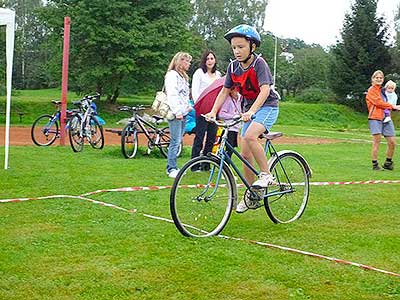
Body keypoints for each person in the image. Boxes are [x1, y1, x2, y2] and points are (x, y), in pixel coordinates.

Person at [205, 24, 280, 213]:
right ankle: (251, 196)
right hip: (248, 110)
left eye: (241, 47)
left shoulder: (259, 64)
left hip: (267, 107)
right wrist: (214, 111)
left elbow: (265, 90)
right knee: (245, 154)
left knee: (249, 137)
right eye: (234, 48)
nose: (237, 51)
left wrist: (252, 111)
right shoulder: (233, 67)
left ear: (252, 47)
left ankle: (266, 174)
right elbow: (225, 91)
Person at [191, 50, 222, 171]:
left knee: (211, 137)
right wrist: (198, 105)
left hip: (214, 110)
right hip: (202, 109)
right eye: (208, 59)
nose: (210, 61)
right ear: (204, 61)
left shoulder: (218, 75)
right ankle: (194, 164)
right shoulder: (199, 73)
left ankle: (206, 164)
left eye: (212, 59)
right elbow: (195, 91)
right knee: (199, 136)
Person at [164, 52, 193, 178]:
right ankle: (170, 168)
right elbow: (172, 94)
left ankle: (174, 166)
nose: (189, 64)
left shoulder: (183, 77)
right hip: (176, 113)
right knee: (175, 141)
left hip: (183, 112)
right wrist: (177, 111)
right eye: (187, 61)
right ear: (180, 61)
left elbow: (184, 96)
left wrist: (187, 108)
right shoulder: (172, 76)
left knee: (178, 140)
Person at [365, 70, 400, 171]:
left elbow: (389, 99)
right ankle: (375, 164)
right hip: (375, 117)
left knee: (392, 142)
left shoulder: (382, 91)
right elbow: (378, 103)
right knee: (377, 141)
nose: (379, 79)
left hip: (386, 118)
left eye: (381, 78)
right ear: (373, 79)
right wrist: (393, 106)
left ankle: (388, 163)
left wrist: (394, 106)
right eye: (377, 78)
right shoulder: (371, 90)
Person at [217, 88, 242, 157]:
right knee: (228, 149)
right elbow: (221, 114)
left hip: (236, 128)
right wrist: (234, 116)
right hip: (229, 127)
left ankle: (226, 165)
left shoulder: (240, 99)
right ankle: (224, 164)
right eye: (233, 89)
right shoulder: (228, 100)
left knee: (231, 149)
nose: (236, 91)